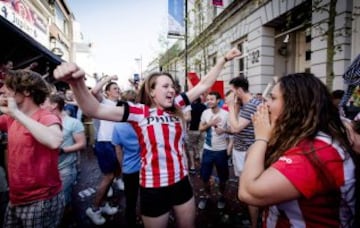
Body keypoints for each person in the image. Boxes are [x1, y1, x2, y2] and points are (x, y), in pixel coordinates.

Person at [53, 47, 241, 228]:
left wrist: (223, 59)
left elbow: (204, 84)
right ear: (151, 91)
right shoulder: (139, 112)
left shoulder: (177, 104)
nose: (172, 90)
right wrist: (75, 83)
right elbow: (94, 109)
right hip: (153, 187)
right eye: (165, 86)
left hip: (181, 181)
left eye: (173, 87)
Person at [238, 73, 359, 227]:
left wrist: (261, 138)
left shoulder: (319, 151)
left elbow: (248, 192)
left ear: (295, 104)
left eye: (273, 98)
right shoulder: (299, 137)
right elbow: (253, 160)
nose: (266, 104)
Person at [0, 69, 64, 227]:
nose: (2, 90)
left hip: (40, 200)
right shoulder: (10, 117)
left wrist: (16, 113)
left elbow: (54, 140)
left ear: (27, 91)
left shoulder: (46, 116)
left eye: (8, 87)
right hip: (16, 198)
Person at [85, 76, 121, 225]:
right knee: (108, 177)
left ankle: (103, 204)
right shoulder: (104, 102)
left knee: (113, 176)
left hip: (115, 144)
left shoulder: (119, 104)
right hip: (105, 143)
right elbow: (94, 91)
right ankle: (94, 209)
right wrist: (109, 78)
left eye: (118, 88)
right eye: (115, 88)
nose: (118, 90)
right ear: (107, 93)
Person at [228, 75, 262, 228]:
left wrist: (230, 108)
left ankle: (255, 223)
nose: (232, 95)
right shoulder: (245, 104)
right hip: (241, 149)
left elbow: (235, 128)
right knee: (246, 185)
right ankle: (251, 215)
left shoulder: (251, 105)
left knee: (249, 188)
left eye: (232, 91)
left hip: (247, 152)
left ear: (239, 90)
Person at [42, 93, 86, 207]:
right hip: (46, 169)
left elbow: (82, 144)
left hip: (64, 169)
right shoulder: (42, 121)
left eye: (44, 103)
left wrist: (63, 150)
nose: (41, 105)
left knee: (62, 202)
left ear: (54, 105)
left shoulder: (73, 122)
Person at [112, 89, 141, 228]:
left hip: (129, 168)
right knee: (149, 197)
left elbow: (118, 150)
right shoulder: (144, 121)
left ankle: (131, 222)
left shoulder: (117, 125)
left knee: (131, 200)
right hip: (147, 167)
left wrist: (123, 167)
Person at [198, 91, 229, 210]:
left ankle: (222, 196)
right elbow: (200, 128)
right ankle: (207, 196)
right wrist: (210, 123)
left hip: (221, 150)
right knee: (205, 177)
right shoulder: (205, 113)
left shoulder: (226, 114)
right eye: (208, 99)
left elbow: (233, 130)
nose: (209, 101)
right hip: (208, 150)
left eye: (212, 99)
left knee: (223, 178)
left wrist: (224, 131)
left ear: (218, 101)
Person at [184, 96, 207, 173]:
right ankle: (202, 166)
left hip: (192, 129)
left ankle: (193, 166)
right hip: (202, 129)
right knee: (201, 147)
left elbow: (188, 119)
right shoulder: (204, 106)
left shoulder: (190, 107)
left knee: (190, 147)